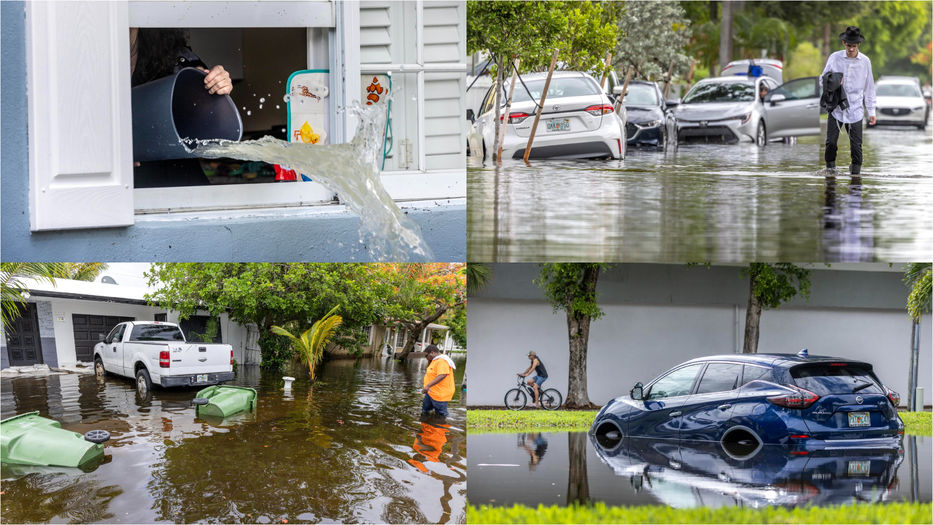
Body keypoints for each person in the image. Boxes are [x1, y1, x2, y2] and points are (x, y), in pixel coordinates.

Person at [130, 28, 234, 187]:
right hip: (130, 188)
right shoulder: (90, 61)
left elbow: (208, 118)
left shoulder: (172, 54)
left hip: (182, 181)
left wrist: (217, 82)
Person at [820, 26, 876, 175]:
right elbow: (822, 79)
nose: (851, 49)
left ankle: (855, 174)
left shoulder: (865, 62)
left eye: (854, 46)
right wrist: (833, 82)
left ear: (858, 45)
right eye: (849, 45)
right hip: (836, 107)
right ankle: (830, 171)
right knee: (831, 143)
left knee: (856, 147)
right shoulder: (834, 57)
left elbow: (869, 87)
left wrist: (872, 111)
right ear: (844, 43)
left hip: (856, 109)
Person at [420, 345, 455, 418]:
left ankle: (440, 427)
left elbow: (442, 375)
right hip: (431, 392)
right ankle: (426, 426)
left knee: (441, 415)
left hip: (440, 394)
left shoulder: (442, 361)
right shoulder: (435, 361)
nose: (426, 358)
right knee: (425, 410)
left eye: (426, 356)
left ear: (432, 352)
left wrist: (428, 386)